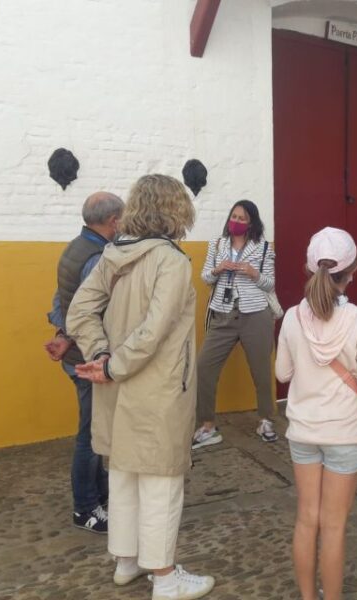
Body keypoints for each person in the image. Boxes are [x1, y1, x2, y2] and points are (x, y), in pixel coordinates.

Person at [66, 174, 214, 599]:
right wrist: (112, 365)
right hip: (157, 388)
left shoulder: (114, 253)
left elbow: (79, 313)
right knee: (161, 481)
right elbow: (155, 330)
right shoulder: (171, 261)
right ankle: (165, 578)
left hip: (116, 385)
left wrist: (102, 355)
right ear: (176, 210)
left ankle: (126, 562)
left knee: (124, 473)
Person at [275, 227, 357, 600]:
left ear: (310, 268)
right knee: (334, 526)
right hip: (345, 435)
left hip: (303, 433)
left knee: (307, 519)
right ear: (351, 270)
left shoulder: (292, 317)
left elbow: (281, 374)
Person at [45, 191, 124, 534]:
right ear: (112, 221)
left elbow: (62, 301)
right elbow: (89, 311)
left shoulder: (75, 248)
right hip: (88, 361)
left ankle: (100, 493)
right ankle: (85, 508)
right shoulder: (98, 257)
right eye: (121, 218)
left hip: (76, 354)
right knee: (91, 436)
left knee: (93, 429)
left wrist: (62, 335)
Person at [192, 200, 278, 448]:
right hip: (224, 314)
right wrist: (218, 269)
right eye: (234, 217)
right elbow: (205, 277)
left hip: (255, 315)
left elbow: (270, 284)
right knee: (204, 367)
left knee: (261, 370)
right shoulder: (217, 244)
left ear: (251, 222)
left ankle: (266, 420)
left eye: (242, 219)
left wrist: (254, 273)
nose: (237, 222)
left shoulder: (263, 248)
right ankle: (207, 425)